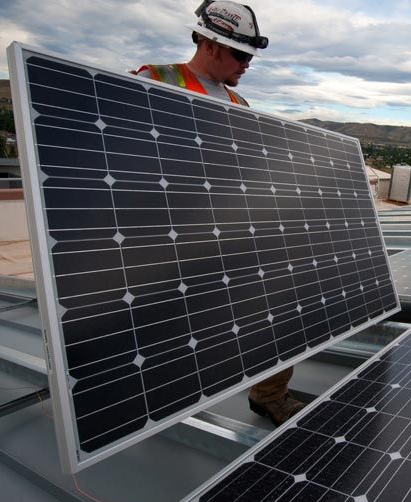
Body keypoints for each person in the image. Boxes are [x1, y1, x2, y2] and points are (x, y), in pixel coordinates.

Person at [135, 0, 304, 427]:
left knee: (279, 304)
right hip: (169, 236)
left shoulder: (238, 103)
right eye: (240, 54)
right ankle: (151, 403)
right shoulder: (153, 80)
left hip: (225, 231)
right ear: (210, 44)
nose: (247, 65)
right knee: (171, 329)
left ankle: (270, 394)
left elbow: (244, 171)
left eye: (249, 56)